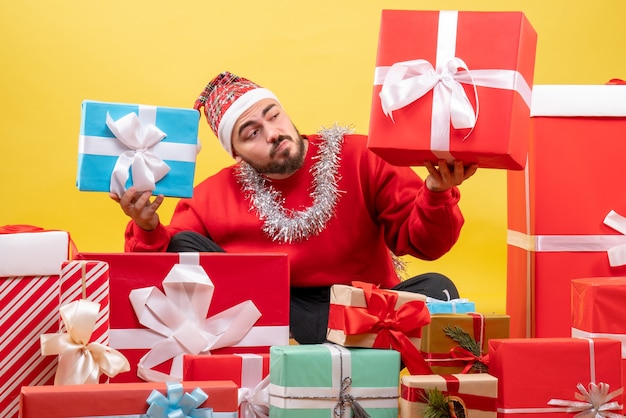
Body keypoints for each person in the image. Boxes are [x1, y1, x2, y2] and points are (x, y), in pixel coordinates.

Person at [110, 71, 478, 344]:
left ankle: (339, 350)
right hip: (277, 312)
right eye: (251, 132)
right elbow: (160, 275)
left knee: (439, 291)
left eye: (273, 115)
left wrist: (434, 192)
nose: (272, 133)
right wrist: (146, 226)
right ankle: (345, 352)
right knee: (182, 245)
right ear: (236, 152)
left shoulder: (362, 156)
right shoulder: (209, 195)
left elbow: (427, 245)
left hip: (365, 304)